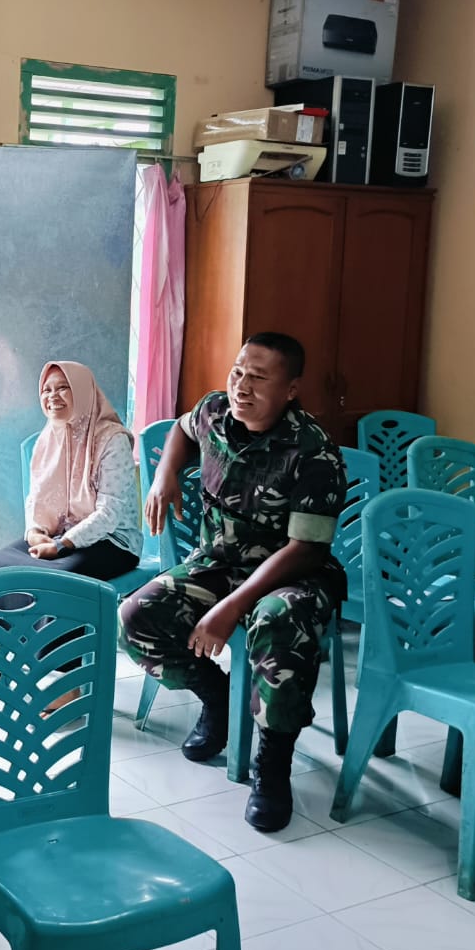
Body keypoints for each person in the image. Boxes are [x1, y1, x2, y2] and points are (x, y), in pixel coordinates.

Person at [119, 332, 345, 833]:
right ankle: (218, 700)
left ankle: (273, 765)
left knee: (279, 620)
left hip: (292, 574)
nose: (242, 386)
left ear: (290, 390)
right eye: (238, 371)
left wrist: (230, 608)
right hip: (219, 561)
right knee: (136, 616)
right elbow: (182, 430)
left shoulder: (314, 452)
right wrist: (166, 474)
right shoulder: (214, 411)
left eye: (259, 378)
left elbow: (305, 549)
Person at [0, 361, 142, 578]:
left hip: (112, 541)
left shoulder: (112, 440)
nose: (52, 396)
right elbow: (35, 498)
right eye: (46, 390)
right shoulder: (46, 440)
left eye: (62, 388)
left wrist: (61, 545)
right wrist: (35, 532)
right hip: (58, 535)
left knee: (53, 578)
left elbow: (109, 513)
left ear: (82, 391)